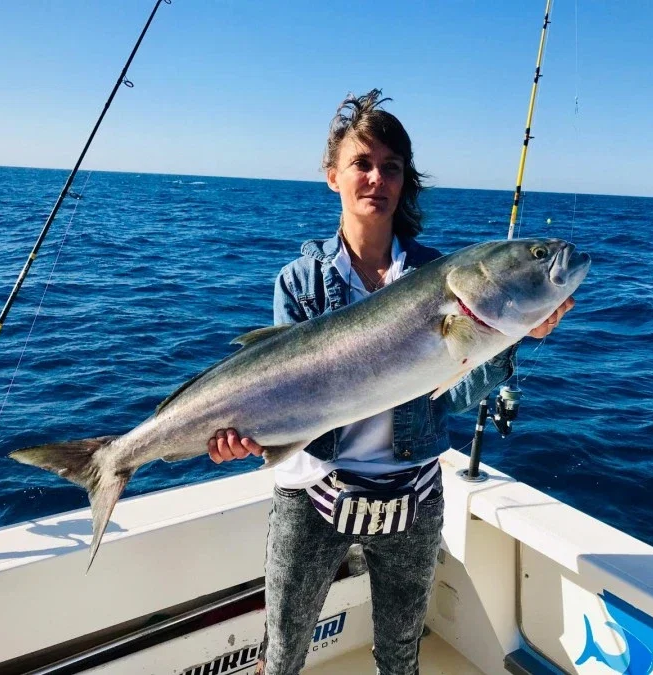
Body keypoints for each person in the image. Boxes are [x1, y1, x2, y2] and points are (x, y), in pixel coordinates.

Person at [208, 89, 574, 675]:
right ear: (333, 176)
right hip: (314, 497)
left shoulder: (439, 275)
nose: (377, 178)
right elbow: (284, 396)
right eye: (362, 163)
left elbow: (453, 396)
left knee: (401, 659)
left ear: (405, 182)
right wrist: (246, 436)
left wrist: (511, 341)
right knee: (281, 656)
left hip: (413, 499)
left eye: (392, 167)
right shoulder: (299, 281)